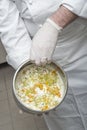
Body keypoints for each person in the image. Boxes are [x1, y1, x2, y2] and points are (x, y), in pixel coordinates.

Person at [0, 0, 87, 130]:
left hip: (80, 42)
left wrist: (54, 23)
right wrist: (28, 72)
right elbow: (7, 18)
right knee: (66, 122)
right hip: (38, 50)